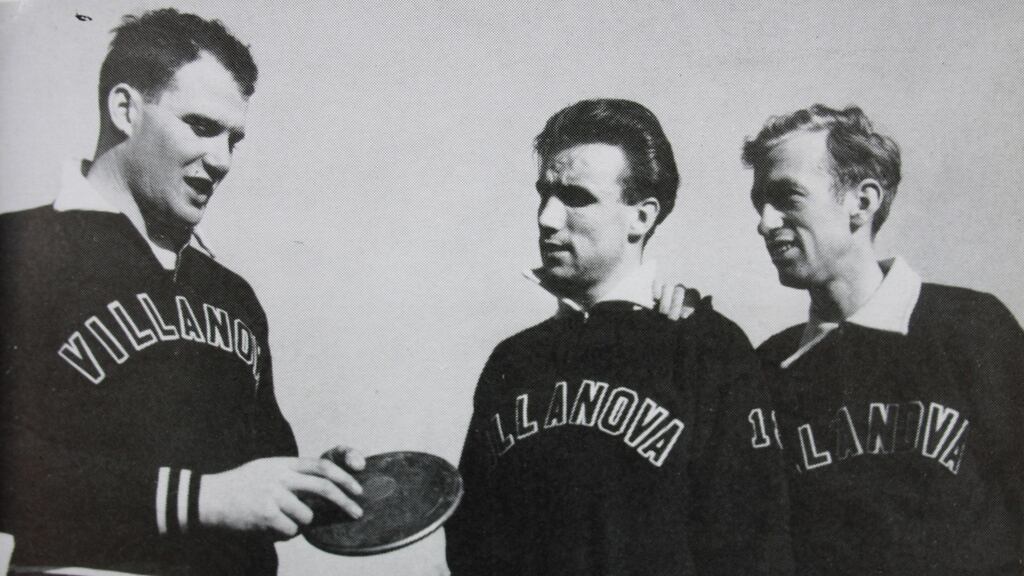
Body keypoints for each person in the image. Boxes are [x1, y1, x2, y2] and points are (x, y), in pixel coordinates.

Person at [0, 9, 364, 574]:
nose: (220, 161)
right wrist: (198, 500)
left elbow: (259, 464)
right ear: (125, 109)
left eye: (234, 140)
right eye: (201, 126)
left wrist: (315, 482)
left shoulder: (231, 295)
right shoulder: (17, 249)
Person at [446, 98, 792, 575]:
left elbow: (753, 546)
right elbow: (469, 545)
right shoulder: (513, 360)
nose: (547, 218)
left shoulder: (706, 346)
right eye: (544, 194)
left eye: (576, 198)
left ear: (642, 217)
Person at [746, 104, 1023, 574]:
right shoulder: (769, 366)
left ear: (863, 201)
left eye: (787, 198)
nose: (765, 223)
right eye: (759, 205)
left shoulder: (972, 327)